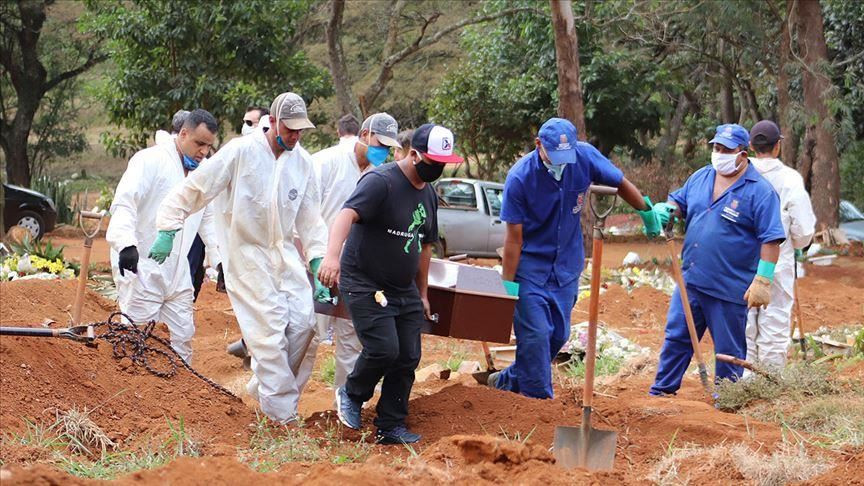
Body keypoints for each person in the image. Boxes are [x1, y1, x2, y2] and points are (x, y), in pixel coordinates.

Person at [151, 93, 329, 424]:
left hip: (284, 253)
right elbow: (197, 189)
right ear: (272, 122)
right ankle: (281, 417)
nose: (295, 136)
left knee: (307, 326)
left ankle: (265, 389)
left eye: (300, 130)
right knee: (270, 334)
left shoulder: (302, 163)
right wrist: (168, 226)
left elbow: (310, 217)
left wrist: (317, 261)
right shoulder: (240, 152)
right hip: (246, 257)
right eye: (289, 129)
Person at [486, 117, 661, 399]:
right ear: (539, 145)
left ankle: (508, 379)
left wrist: (646, 211)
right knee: (537, 335)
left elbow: (620, 182)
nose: (562, 162)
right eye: (555, 155)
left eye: (566, 156)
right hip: (531, 268)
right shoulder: (520, 178)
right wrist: (508, 286)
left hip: (567, 266)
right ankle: (539, 403)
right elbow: (513, 239)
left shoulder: (584, 156)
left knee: (558, 336)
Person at [318, 123, 462, 444]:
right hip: (364, 279)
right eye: (435, 163)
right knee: (384, 348)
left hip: (402, 287)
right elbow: (346, 215)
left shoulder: (428, 194)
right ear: (414, 154)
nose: (439, 169)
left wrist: (422, 293)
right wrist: (331, 257)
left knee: (408, 356)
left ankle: (390, 425)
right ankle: (352, 395)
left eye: (444, 164)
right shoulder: (380, 182)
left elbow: (425, 246)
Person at [649, 123, 786, 396]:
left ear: (742, 154)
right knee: (677, 337)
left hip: (729, 288)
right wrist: (668, 210)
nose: (719, 153)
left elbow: (770, 239)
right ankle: (662, 392)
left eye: (726, 149)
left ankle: (727, 401)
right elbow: (679, 203)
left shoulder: (760, 191)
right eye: (716, 147)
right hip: (692, 279)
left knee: (728, 351)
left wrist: (763, 279)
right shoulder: (701, 177)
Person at [107, 109, 222, 364]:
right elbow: (125, 204)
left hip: (178, 271)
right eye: (199, 143)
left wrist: (220, 260)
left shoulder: (202, 174)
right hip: (142, 267)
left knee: (181, 338)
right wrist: (126, 244)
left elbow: (208, 219)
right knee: (138, 337)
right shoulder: (149, 161)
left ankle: (179, 398)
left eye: (208, 146)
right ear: (183, 134)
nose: (203, 151)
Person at [297, 112, 402, 392]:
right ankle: (280, 405)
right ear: (365, 134)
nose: (383, 152)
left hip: (355, 270)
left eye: (389, 148)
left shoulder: (379, 175)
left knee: (352, 339)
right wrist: (310, 263)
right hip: (315, 263)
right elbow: (301, 216)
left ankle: (346, 405)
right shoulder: (326, 162)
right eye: (380, 144)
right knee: (307, 335)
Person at [745, 120, 815, 370]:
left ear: (751, 146)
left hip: (739, 261)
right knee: (773, 325)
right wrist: (797, 243)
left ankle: (743, 380)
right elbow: (804, 229)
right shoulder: (789, 179)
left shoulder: (739, 173)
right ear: (778, 147)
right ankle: (771, 384)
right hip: (778, 261)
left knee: (744, 324)